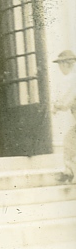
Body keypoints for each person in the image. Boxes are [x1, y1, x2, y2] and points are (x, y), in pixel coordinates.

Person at [52, 49, 76, 183]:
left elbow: (67, 100)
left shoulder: (71, 78)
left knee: (69, 141)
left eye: (61, 64)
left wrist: (57, 106)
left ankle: (69, 171)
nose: (60, 68)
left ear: (66, 64)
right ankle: (70, 171)